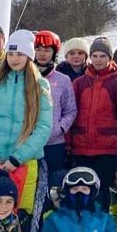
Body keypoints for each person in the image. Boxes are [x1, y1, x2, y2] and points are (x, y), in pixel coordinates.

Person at [0, 29, 54, 232]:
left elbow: (43, 127)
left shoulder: (40, 86)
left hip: (24, 162)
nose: (14, 59)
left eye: (20, 54)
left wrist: (18, 157)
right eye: (11, 54)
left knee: (23, 214)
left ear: (29, 57)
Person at [69, 37, 117, 209]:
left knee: (101, 191)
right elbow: (71, 113)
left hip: (107, 148)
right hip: (82, 147)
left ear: (109, 57)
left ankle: (100, 229)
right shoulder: (80, 83)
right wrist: (68, 143)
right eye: (95, 55)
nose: (98, 60)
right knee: (81, 191)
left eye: (102, 56)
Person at [33, 30, 77, 192]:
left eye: (47, 50)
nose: (42, 54)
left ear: (54, 53)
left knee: (53, 188)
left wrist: (59, 128)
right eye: (38, 49)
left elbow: (71, 110)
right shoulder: (25, 77)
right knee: (31, 187)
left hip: (54, 144)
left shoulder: (63, 80)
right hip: (28, 144)